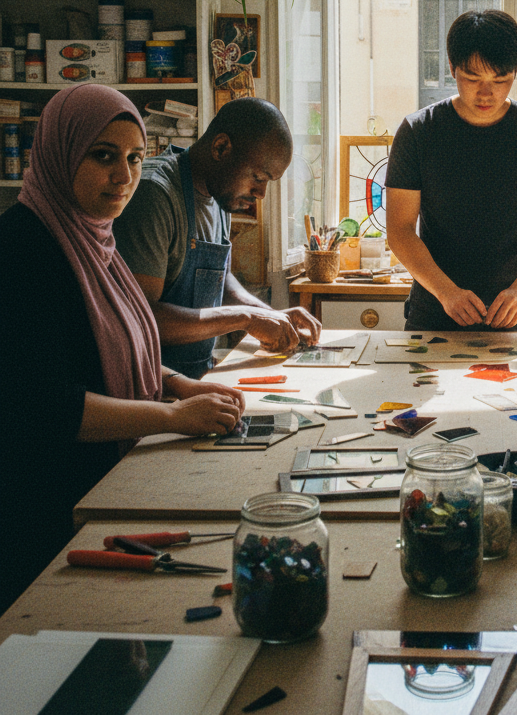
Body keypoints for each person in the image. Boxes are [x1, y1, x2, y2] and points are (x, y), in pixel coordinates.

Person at [0, 85, 246, 613]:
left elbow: (117, 344)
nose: (124, 175)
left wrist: (177, 383)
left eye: (135, 158)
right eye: (103, 156)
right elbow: (52, 406)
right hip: (46, 510)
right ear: (59, 152)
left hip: (103, 482)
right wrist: (175, 415)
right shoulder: (22, 250)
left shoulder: (97, 238)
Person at [385, 9, 517, 331]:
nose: (487, 93)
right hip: (435, 313)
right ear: (452, 68)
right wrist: (447, 293)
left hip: (516, 314)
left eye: (501, 80)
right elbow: (400, 229)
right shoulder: (418, 132)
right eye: (473, 79)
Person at [114, 97, 320, 377]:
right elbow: (141, 318)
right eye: (258, 177)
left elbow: (217, 278)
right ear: (221, 148)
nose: (260, 194)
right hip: (149, 386)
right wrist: (246, 318)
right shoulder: (154, 195)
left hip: (197, 376)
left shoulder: (218, 193)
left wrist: (268, 314)